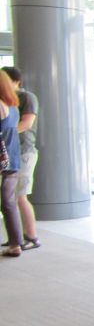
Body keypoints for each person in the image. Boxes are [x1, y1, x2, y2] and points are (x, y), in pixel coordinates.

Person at [1, 66, 39, 250]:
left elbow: (27, 123)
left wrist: (6, 133)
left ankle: (31, 237)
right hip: (11, 152)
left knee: (20, 196)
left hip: (23, 152)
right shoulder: (9, 101)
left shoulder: (26, 98)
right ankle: (16, 239)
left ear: (17, 81)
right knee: (11, 199)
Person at [0, 70, 24, 257]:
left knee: (8, 202)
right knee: (9, 202)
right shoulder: (13, 105)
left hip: (3, 158)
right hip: (12, 157)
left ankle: (16, 244)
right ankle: (16, 243)